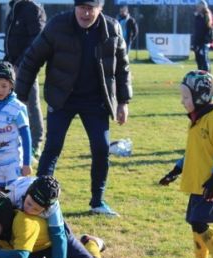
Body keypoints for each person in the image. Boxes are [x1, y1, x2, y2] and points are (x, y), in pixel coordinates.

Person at [16, 0, 132, 217]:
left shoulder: (113, 28)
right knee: (52, 148)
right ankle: (36, 199)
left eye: (91, 8)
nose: (86, 13)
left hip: (95, 101)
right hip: (62, 98)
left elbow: (123, 67)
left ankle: (97, 201)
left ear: (100, 9)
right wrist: (20, 96)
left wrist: (124, 102)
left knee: (101, 149)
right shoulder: (57, 26)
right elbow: (32, 59)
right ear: (75, 7)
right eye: (82, 7)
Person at [159, 70, 213, 258]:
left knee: (198, 220)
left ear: (201, 96)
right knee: (194, 223)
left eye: (186, 97)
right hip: (197, 184)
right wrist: (175, 171)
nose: (182, 101)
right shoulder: (197, 121)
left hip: (211, 185)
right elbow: (192, 153)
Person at [0, 190, 101, 258]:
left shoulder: (23, 222)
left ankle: (91, 242)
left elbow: (19, 257)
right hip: (34, 246)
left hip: (52, 242)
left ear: (2, 219)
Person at [3, 175, 104, 258]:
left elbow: (58, 237)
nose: (29, 210)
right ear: (28, 191)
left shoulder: (53, 207)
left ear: (46, 208)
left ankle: (91, 242)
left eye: (36, 210)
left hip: (49, 240)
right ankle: (37, 256)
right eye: (28, 203)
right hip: (32, 237)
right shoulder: (15, 192)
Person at [4, 0, 46, 158]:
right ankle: (13, 141)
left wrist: (21, 63)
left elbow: (37, 40)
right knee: (9, 103)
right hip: (11, 65)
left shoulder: (33, 9)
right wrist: (8, 61)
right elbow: (11, 40)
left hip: (26, 66)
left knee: (30, 104)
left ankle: (36, 144)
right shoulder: (14, 7)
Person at [0, 61, 32, 188]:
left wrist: (27, 163)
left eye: (4, 86)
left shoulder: (17, 107)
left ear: (11, 85)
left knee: (14, 194)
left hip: (13, 161)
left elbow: (26, 136)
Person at [192, 0, 213, 72]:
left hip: (204, 42)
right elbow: (197, 31)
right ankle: (200, 76)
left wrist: (204, 41)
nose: (197, 8)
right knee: (198, 59)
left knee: (204, 59)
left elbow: (208, 30)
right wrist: (194, 43)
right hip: (198, 42)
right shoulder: (198, 17)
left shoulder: (207, 16)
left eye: (199, 6)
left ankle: (207, 75)